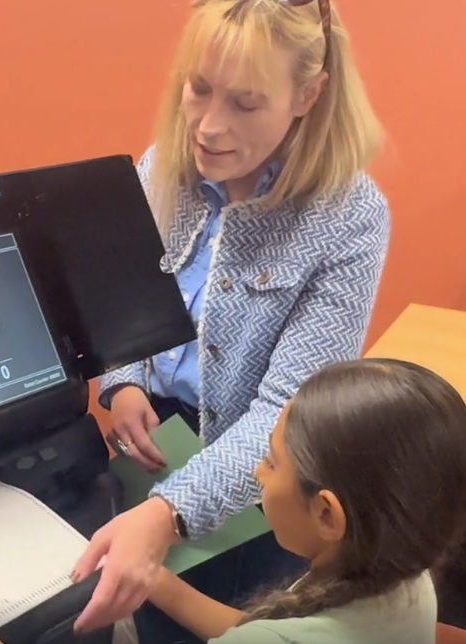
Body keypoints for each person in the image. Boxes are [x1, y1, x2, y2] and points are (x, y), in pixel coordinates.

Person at [73, 0, 391, 634]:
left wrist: (169, 513)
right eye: (198, 88)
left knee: (217, 621)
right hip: (157, 442)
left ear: (309, 94)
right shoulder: (162, 165)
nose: (209, 127)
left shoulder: (350, 219)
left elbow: (286, 409)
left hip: (260, 477)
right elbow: (128, 297)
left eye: (246, 104)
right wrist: (126, 381)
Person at [0, 359, 466, 644]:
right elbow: (250, 629)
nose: (256, 472)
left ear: (327, 513)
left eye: (270, 462)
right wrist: (158, 581)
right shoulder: (404, 581)